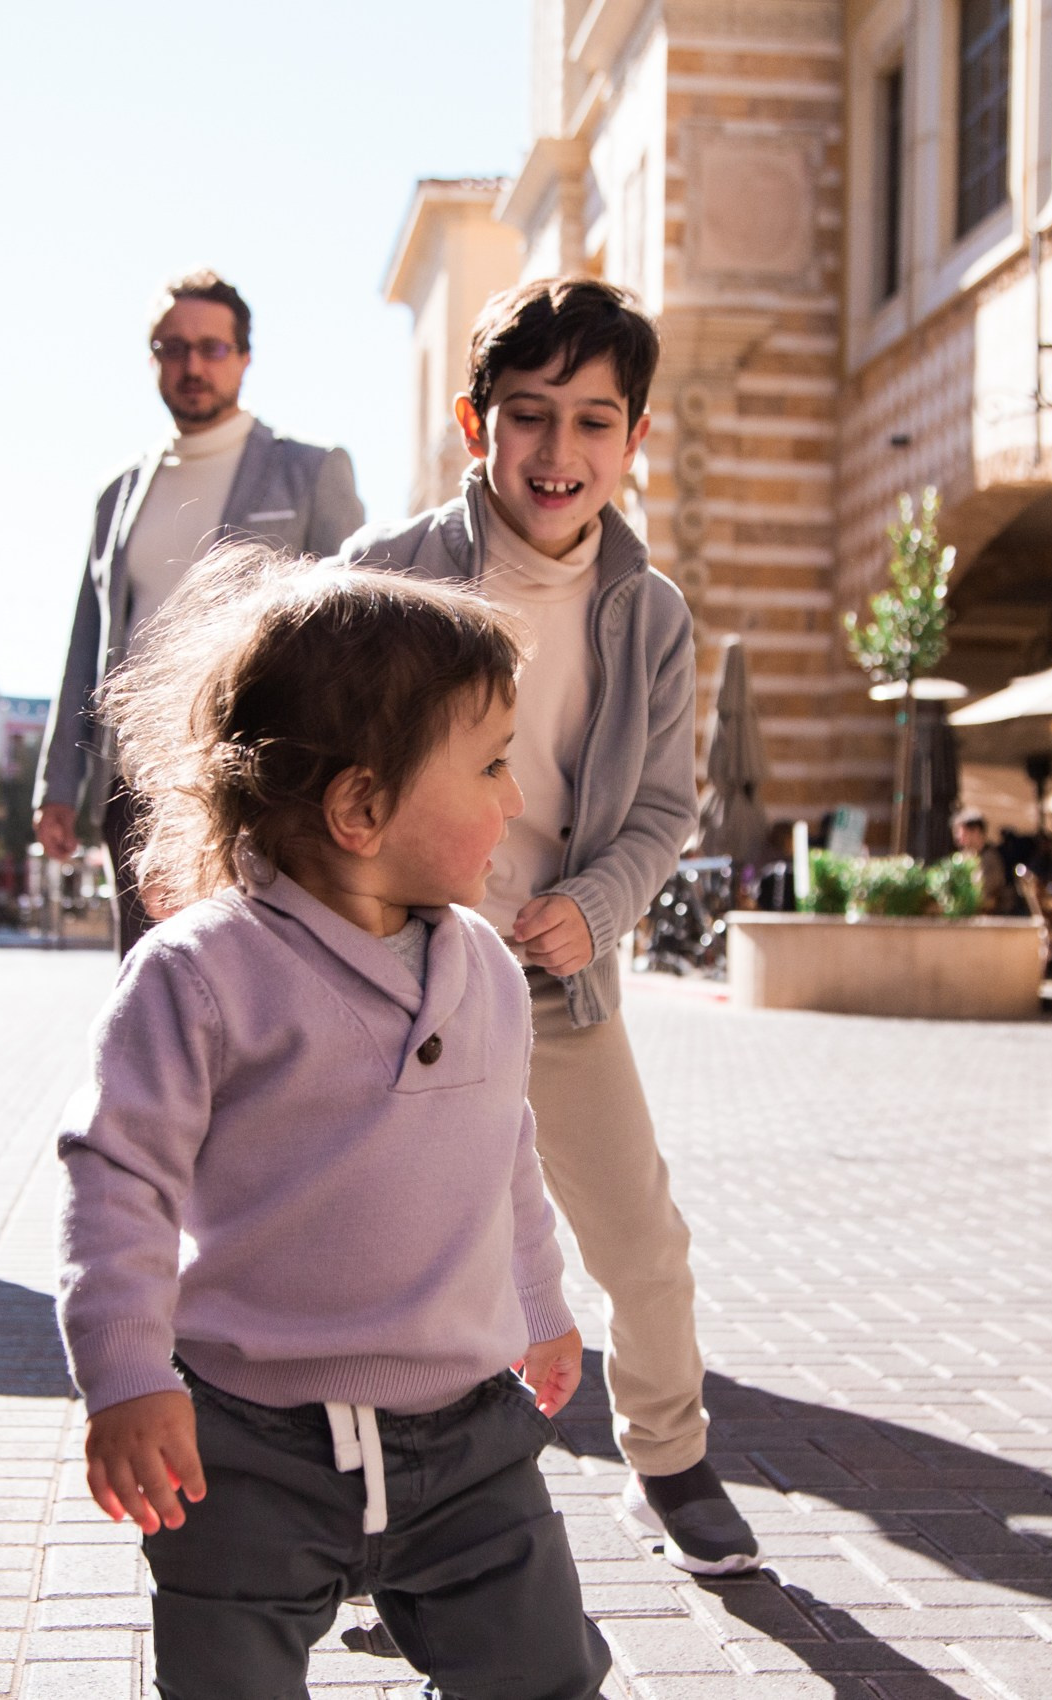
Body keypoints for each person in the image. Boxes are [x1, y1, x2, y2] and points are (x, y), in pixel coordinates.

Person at [58, 548, 608, 1698]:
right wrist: (124, 1371)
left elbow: (506, 1152)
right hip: (245, 1448)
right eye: (494, 765)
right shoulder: (203, 973)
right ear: (362, 806)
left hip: (468, 1444)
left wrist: (543, 1306)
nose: (516, 799)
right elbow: (120, 1176)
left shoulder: (491, 975)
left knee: (548, 1676)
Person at [338, 276, 756, 1576]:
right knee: (386, 1249)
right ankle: (360, 1503)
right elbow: (309, 775)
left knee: (640, 1241)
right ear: (477, 424)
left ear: (634, 441)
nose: (558, 453)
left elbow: (667, 806)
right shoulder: (382, 577)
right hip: (393, 985)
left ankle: (672, 1462)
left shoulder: (655, 615)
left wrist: (597, 905)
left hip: (558, 985)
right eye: (529, 417)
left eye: (592, 421)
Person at [33, 270, 365, 954]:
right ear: (153, 358)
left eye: (212, 348)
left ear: (244, 358)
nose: (193, 365)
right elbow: (89, 636)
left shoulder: (310, 470)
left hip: (261, 781)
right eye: (173, 347)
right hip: (136, 784)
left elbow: (353, 633)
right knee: (149, 988)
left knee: (261, 982)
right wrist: (57, 782)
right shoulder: (118, 492)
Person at [954, 808, 1016, 915]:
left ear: (976, 831)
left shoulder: (991, 858)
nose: (958, 837)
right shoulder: (964, 858)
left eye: (962, 832)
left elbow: (984, 893)